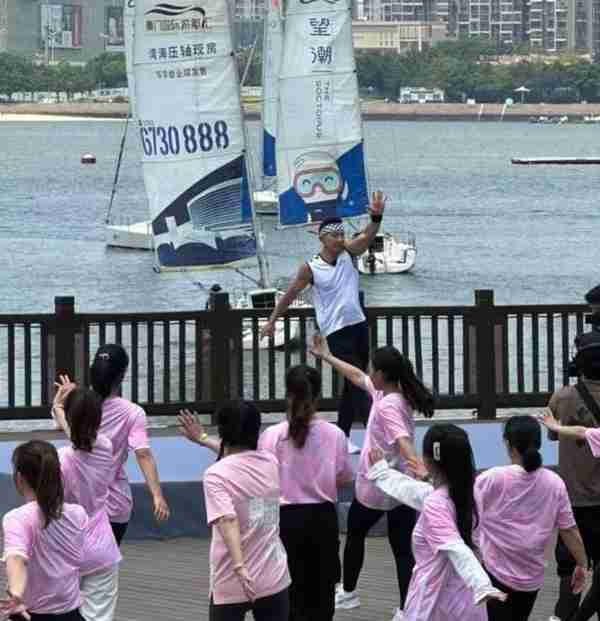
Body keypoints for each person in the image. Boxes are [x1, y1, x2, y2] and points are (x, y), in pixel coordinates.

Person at [311, 335, 434, 620]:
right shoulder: (389, 393)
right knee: (402, 549)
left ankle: (350, 593)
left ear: (382, 374)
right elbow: (355, 376)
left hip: (378, 483)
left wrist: (419, 467)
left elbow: (401, 439)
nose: (368, 372)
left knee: (355, 534)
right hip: (400, 485)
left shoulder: (389, 404)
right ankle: (406, 610)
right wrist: (327, 356)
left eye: (372, 368)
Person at [260, 190, 389, 446]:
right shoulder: (310, 268)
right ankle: (375, 438)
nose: (340, 238)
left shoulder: (349, 254)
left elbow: (365, 238)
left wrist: (376, 216)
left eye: (342, 234)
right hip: (336, 331)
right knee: (360, 383)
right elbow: (289, 294)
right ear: (322, 238)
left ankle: (342, 436)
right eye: (335, 235)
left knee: (354, 382)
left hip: (359, 325)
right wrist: (272, 320)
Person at [367, 424, 506, 620]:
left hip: (438, 604)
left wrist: (482, 585)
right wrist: (382, 473)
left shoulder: (436, 502)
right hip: (468, 603)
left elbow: (455, 547)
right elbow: (414, 491)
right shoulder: (472, 492)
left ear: (428, 460)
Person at [258, 365, 354, 621]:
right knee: (321, 595)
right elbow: (344, 477)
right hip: (322, 520)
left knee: (286, 593)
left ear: (287, 395)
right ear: (317, 397)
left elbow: (262, 482)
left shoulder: (271, 436)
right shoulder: (335, 435)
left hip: (284, 520)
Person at [181, 401, 291, 621]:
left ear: (222, 431)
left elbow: (227, 520)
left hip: (231, 576)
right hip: (272, 574)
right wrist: (203, 439)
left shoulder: (216, 475)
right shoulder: (270, 463)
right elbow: (240, 459)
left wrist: (240, 567)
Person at [475, 415, 587, 621]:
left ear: (508, 444)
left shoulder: (491, 478)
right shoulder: (555, 483)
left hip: (495, 573)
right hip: (531, 579)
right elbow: (569, 530)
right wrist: (582, 563)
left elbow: (464, 510)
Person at [542, 330, 600, 621]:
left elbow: (552, 436)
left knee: (570, 569)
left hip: (572, 500)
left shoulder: (563, 397)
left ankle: (568, 616)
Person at [51, 381, 122, 621]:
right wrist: (60, 410)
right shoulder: (105, 446)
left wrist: (58, 408)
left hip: (67, 547)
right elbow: (80, 440)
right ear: (99, 419)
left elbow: (75, 442)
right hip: (101, 547)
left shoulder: (59, 460)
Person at [88, 344, 170, 544]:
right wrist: (157, 495)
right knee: (106, 566)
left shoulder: (78, 403)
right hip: (114, 504)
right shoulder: (132, 413)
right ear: (122, 375)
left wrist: (59, 406)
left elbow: (66, 427)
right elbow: (143, 454)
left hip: (81, 501)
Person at [1, 440, 89, 621]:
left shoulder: (17, 518)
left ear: (19, 478)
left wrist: (16, 592)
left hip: (29, 614)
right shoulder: (78, 514)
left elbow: (16, 557)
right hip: (71, 614)